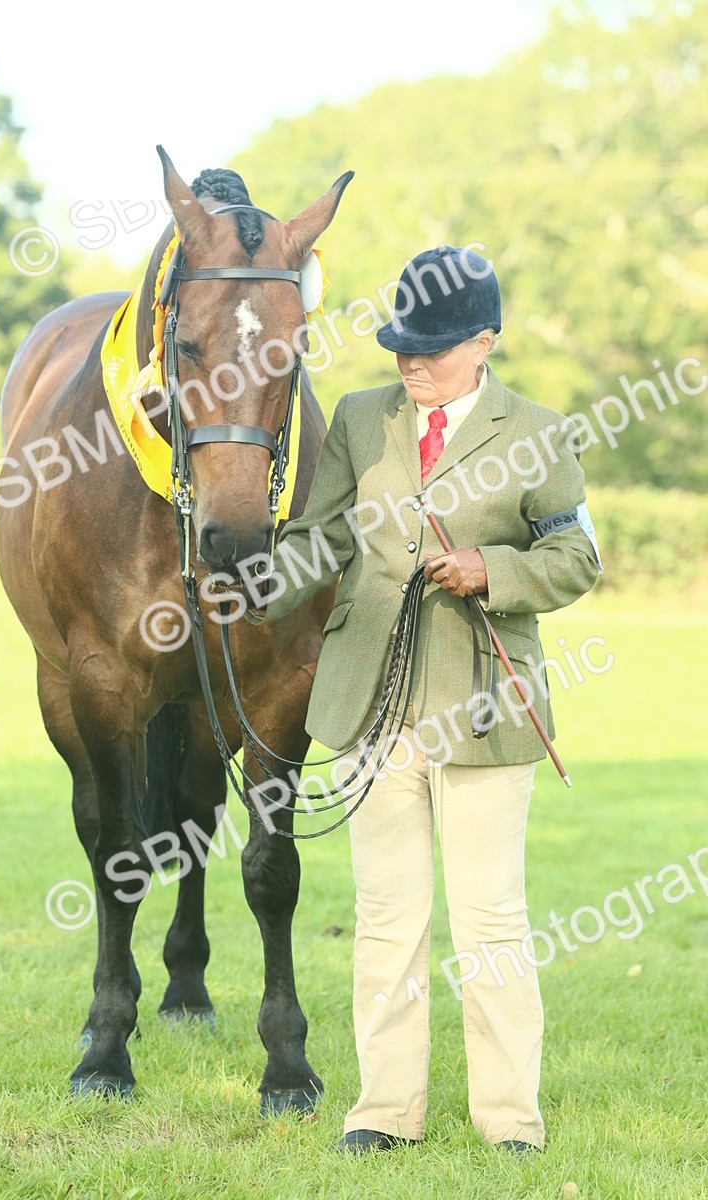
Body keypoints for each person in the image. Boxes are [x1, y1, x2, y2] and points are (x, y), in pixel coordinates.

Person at [244, 244, 602, 1155]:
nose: (411, 363)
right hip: (371, 705)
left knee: (489, 923)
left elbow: (577, 559)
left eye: (432, 348)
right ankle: (384, 1112)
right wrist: (245, 591)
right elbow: (321, 542)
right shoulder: (364, 420)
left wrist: (496, 568)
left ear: (485, 342)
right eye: (401, 345)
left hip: (484, 708)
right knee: (386, 919)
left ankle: (511, 1123)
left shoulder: (540, 433)